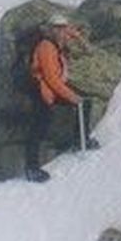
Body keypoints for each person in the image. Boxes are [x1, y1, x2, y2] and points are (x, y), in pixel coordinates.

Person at [26, 18, 90, 180]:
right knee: (39, 128)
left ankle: (81, 139)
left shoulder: (57, 39)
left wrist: (77, 36)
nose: (63, 31)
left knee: (85, 103)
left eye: (63, 28)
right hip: (42, 91)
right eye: (58, 28)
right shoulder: (46, 47)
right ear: (51, 29)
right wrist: (71, 96)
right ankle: (31, 168)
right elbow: (51, 79)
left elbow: (70, 31)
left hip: (53, 89)